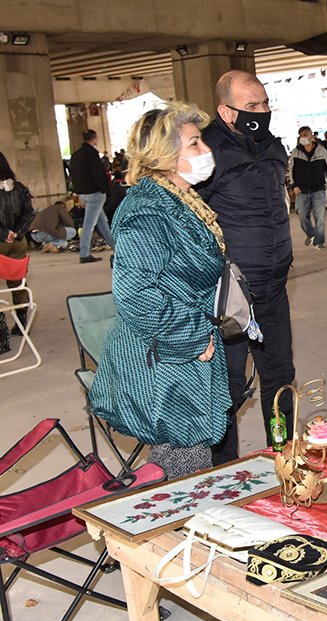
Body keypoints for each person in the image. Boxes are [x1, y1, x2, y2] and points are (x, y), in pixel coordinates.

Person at [88, 103, 231, 479]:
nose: (205, 151)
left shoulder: (177, 198)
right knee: (183, 473)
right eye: (195, 143)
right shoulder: (148, 210)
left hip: (179, 349)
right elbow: (134, 294)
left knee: (189, 460)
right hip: (164, 357)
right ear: (166, 155)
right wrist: (194, 337)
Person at [198, 70, 295, 464]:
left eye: (265, 103)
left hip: (274, 285)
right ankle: (225, 473)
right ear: (226, 110)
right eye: (251, 106)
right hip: (231, 294)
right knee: (229, 387)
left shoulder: (270, 144)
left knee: (280, 374)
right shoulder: (206, 150)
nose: (261, 111)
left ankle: (284, 455)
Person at [0, 151, 35, 333]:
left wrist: (3, 233)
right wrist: (15, 233)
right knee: (17, 281)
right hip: (18, 242)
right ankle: (22, 324)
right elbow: (29, 213)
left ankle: (1, 328)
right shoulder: (19, 188)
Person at [69, 129, 115, 264]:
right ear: (94, 139)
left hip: (83, 193)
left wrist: (78, 192)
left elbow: (73, 176)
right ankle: (84, 254)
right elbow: (97, 174)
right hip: (95, 194)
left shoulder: (75, 155)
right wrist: (104, 190)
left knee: (102, 222)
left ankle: (117, 247)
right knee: (89, 225)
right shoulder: (92, 154)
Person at [288, 125, 327, 249]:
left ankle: (319, 242)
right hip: (301, 190)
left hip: (318, 189)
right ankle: (311, 233)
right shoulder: (296, 152)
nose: (302, 138)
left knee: (320, 217)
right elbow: (291, 170)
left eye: (305, 135)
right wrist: (293, 185)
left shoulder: (321, 151)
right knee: (302, 215)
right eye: (300, 136)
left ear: (311, 136)